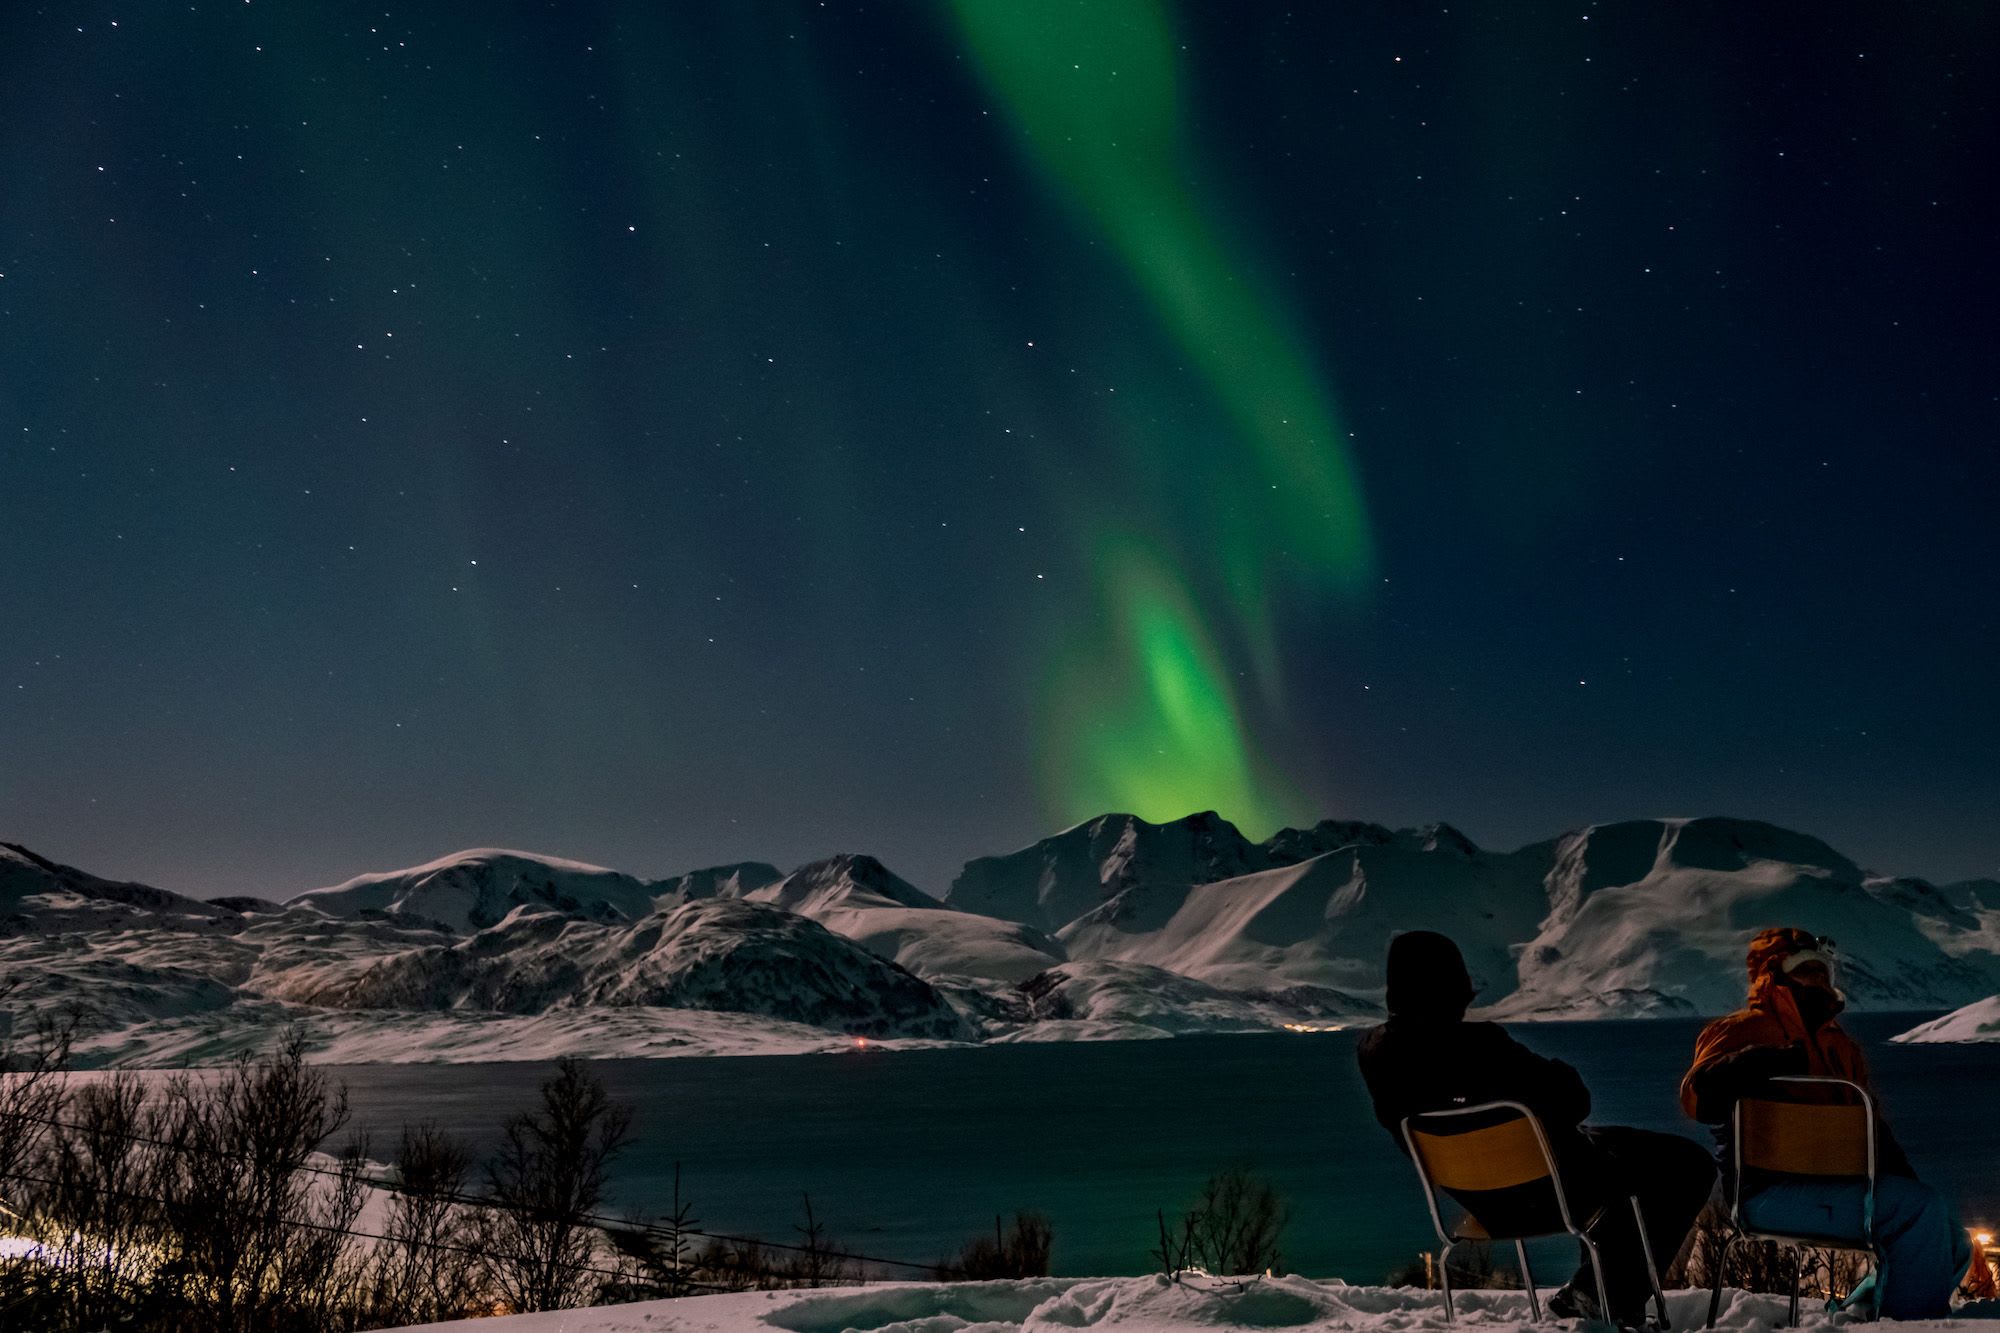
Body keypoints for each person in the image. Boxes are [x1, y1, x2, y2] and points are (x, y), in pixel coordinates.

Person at [1359, 930, 1716, 1326]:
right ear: (1452, 988)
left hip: (1480, 1200)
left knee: (1616, 1162)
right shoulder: (1481, 1046)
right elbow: (1574, 1102)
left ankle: (1600, 1298)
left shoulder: (1376, 1053)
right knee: (1687, 1164)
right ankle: (1599, 1298)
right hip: (1548, 1193)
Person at [1681, 926, 1971, 1319]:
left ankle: (1867, 1314)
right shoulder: (1737, 1032)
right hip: (1767, 1193)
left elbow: (1871, 1132)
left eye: (1824, 970)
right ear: (1775, 975)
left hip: (1839, 1186)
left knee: (1951, 1237)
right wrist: (1775, 1058)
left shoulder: (1840, 1046)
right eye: (1806, 970)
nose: (1819, 978)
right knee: (1919, 1213)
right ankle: (1909, 1324)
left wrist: (1910, 1187)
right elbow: (1701, 1099)